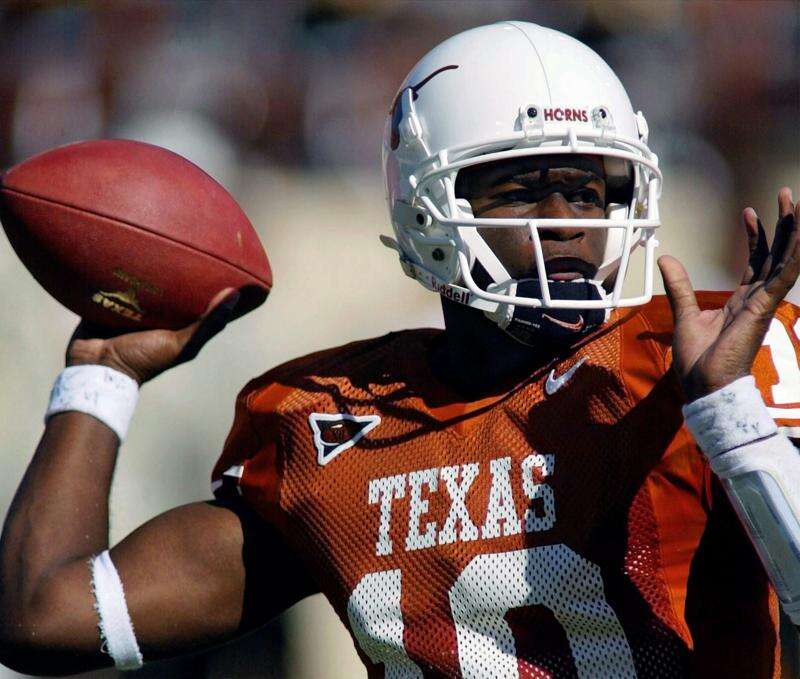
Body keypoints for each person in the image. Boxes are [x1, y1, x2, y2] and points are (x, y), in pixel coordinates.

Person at [1, 21, 798, 678]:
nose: (566, 219)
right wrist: (100, 377)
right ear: (425, 208)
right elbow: (47, 615)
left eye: (592, 189)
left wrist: (732, 418)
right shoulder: (333, 421)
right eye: (519, 187)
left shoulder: (692, 370)